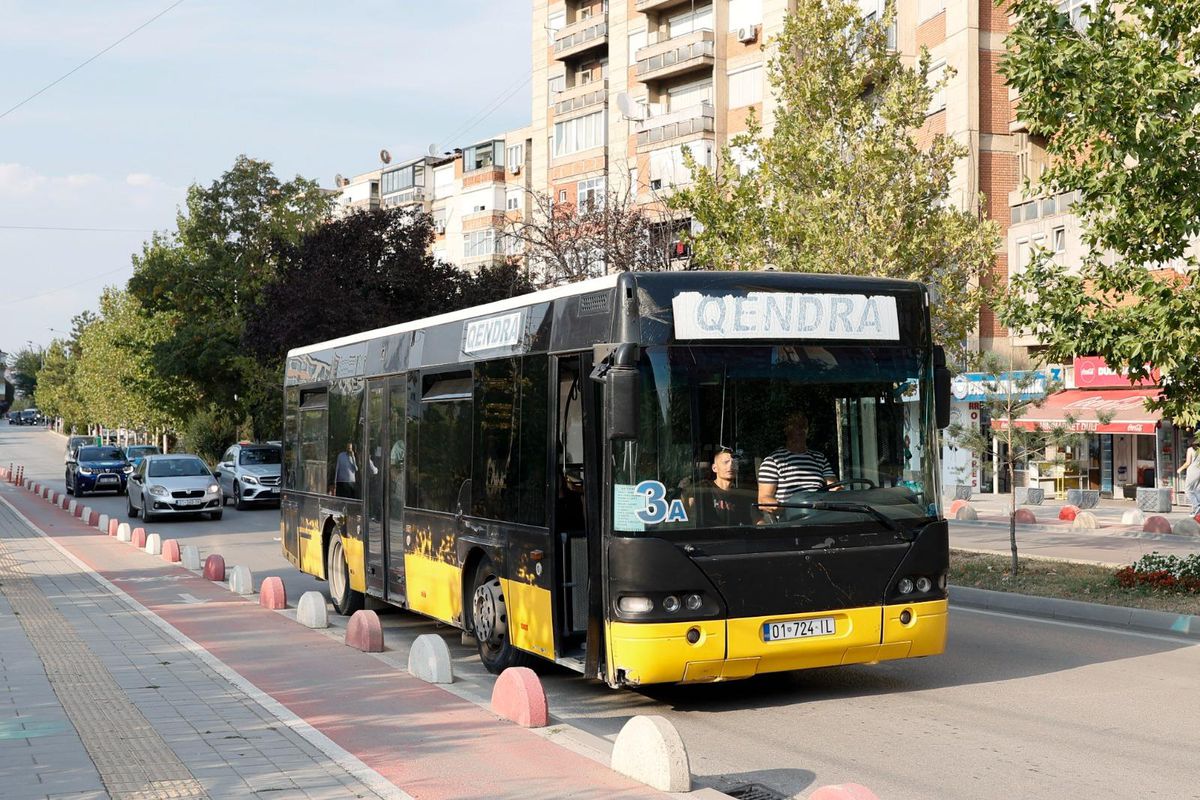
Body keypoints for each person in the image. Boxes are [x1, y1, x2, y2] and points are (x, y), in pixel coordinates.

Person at [757, 411, 836, 514]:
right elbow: (763, 500)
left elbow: (834, 487)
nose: (801, 430)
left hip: (821, 517)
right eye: (796, 426)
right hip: (792, 522)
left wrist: (838, 491)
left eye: (804, 426)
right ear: (786, 430)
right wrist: (785, 509)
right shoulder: (773, 461)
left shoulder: (819, 458)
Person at [688, 449, 754, 526]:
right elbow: (687, 513)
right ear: (714, 468)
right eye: (725, 462)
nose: (731, 466)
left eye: (735, 463)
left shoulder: (740, 496)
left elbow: (752, 522)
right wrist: (684, 493)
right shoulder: (703, 488)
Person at [1177, 436, 1200, 515]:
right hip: (1199, 471)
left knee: (1188, 490)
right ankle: (1197, 509)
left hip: (1192, 471)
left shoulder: (1190, 450)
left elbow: (1188, 463)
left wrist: (1180, 469)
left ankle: (1197, 506)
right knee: (1197, 490)